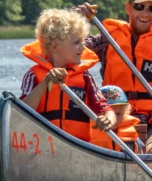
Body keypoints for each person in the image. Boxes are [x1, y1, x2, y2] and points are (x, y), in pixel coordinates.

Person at [76, 0, 152, 155]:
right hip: (114, 119)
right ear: (128, 8)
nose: (145, 13)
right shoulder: (108, 40)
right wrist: (77, 22)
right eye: (139, 6)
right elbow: (74, 50)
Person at [20, 8, 116, 142]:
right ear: (55, 45)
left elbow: (106, 110)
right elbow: (21, 112)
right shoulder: (33, 75)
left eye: (82, 42)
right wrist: (46, 81)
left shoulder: (85, 77)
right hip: (42, 145)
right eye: (77, 43)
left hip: (77, 146)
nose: (83, 47)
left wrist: (109, 119)